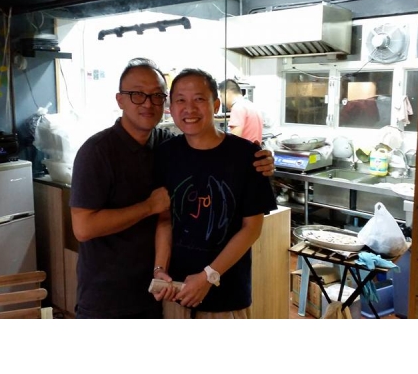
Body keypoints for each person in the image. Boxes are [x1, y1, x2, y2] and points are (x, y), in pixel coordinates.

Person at [69, 58, 275, 319]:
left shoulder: (165, 145)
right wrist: (149, 208)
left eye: (156, 95)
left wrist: (263, 159)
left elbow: (250, 226)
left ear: (215, 105)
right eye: (137, 94)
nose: (147, 103)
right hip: (111, 294)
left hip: (170, 291)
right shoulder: (98, 152)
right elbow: (84, 228)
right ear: (120, 100)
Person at [152, 68, 277, 319]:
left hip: (226, 294)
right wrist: (159, 269)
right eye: (180, 100)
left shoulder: (247, 157)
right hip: (175, 290)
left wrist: (209, 276)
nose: (189, 108)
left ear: (216, 105)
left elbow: (252, 228)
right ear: (171, 107)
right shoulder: (165, 154)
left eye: (199, 99)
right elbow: (165, 220)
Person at [217, 79, 264, 143]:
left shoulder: (237, 107)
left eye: (221, 96)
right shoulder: (252, 106)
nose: (222, 101)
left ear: (227, 93)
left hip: (244, 149)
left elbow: (234, 140)